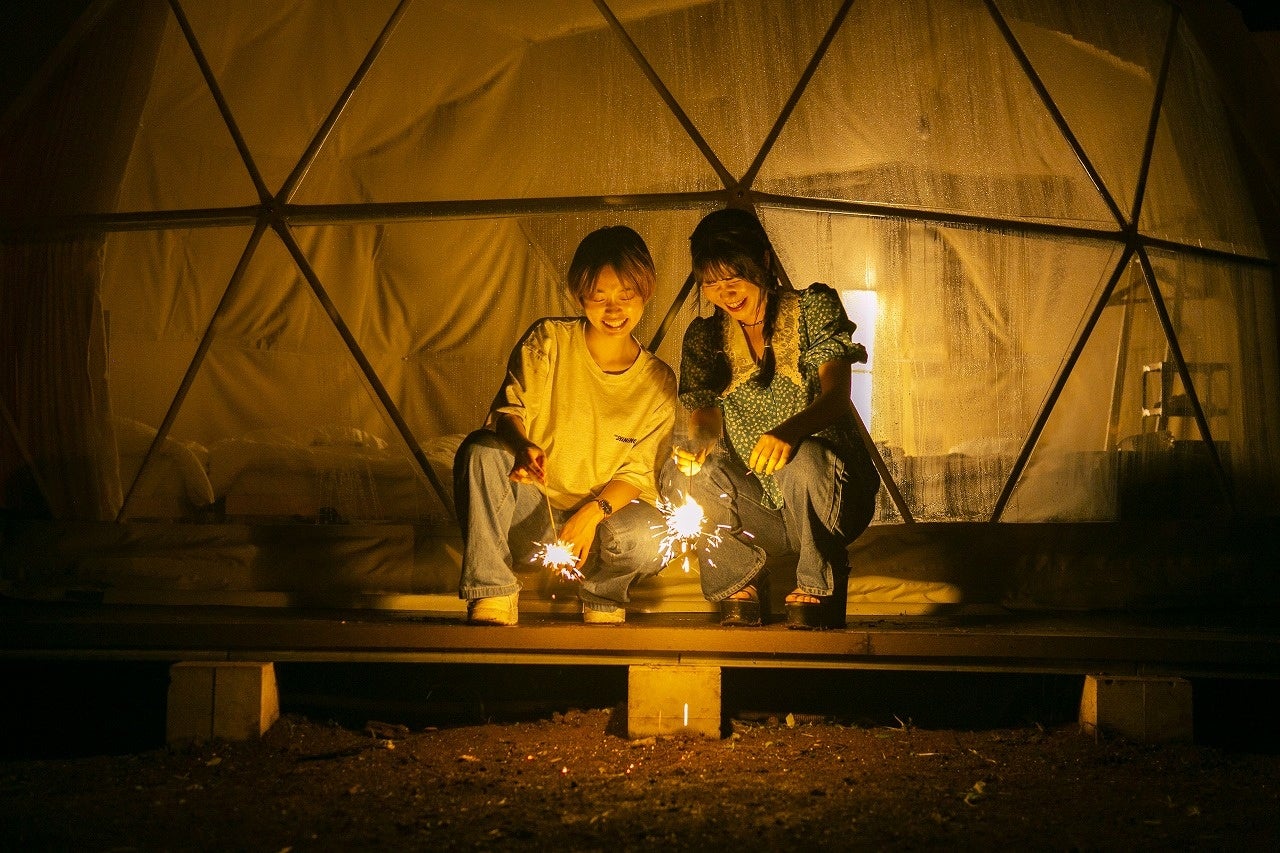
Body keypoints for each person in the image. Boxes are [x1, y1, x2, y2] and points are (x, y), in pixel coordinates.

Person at [454, 225, 677, 626]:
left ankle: (604, 596)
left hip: (604, 527)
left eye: (626, 296)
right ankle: (493, 591)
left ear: (646, 293)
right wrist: (522, 446)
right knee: (480, 451)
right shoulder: (550, 341)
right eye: (599, 297)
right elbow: (509, 411)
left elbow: (639, 471)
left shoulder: (657, 380)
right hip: (537, 521)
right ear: (579, 295)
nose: (613, 311)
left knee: (653, 534)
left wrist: (591, 513)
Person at [669, 207, 880, 629]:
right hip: (761, 510)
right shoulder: (704, 336)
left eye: (734, 279)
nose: (725, 294)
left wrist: (790, 432)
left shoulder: (812, 307)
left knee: (801, 459)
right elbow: (704, 408)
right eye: (711, 284)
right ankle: (740, 581)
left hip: (830, 496)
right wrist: (700, 441)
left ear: (764, 261)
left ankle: (821, 582)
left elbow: (837, 396)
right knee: (679, 475)